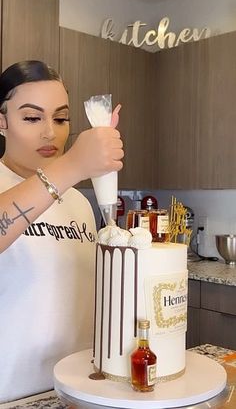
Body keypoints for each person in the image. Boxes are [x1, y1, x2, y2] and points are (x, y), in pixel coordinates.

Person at [0, 60, 124, 403]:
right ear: (2, 121)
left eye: (60, 118)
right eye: (31, 117)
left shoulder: (80, 204)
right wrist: (71, 165)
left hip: (77, 391)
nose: (49, 133)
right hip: (12, 396)